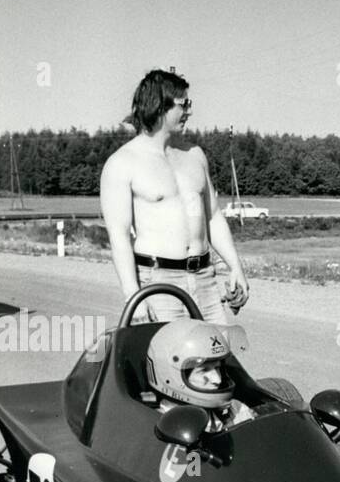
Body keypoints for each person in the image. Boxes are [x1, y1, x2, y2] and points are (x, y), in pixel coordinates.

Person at [100, 69, 250, 326]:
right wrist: (133, 295)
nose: (189, 111)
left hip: (205, 279)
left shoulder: (195, 155)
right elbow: (119, 236)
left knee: (219, 357)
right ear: (159, 106)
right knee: (175, 363)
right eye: (184, 104)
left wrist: (235, 266)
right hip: (158, 284)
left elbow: (213, 217)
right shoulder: (122, 163)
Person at [145, 318, 254, 430]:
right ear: (171, 376)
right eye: (204, 370)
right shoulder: (160, 425)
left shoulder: (235, 409)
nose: (217, 379)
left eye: (217, 368)